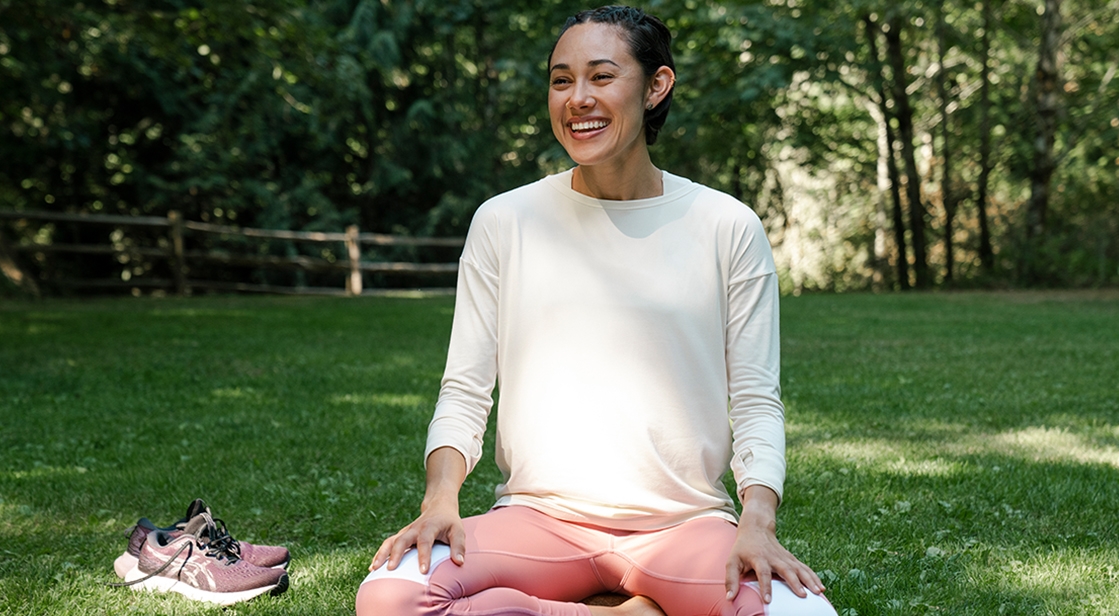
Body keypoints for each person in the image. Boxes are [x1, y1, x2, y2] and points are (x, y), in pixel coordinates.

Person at [355, 6, 838, 616]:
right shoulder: (504, 221)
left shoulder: (727, 226)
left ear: (656, 86)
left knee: (804, 614)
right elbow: (464, 389)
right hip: (537, 519)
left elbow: (756, 400)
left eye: (602, 77)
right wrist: (440, 501)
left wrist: (758, 521)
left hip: (684, 526)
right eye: (561, 80)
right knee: (389, 597)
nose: (577, 98)